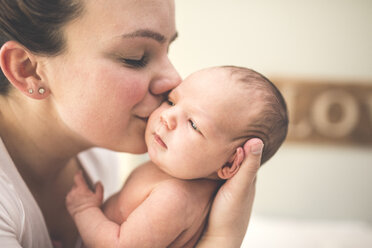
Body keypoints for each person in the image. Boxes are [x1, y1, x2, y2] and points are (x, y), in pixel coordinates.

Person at [0, 0, 264, 247]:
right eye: (135, 57)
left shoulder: (100, 157)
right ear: (28, 70)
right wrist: (221, 237)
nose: (174, 80)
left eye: (167, 49)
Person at [65, 66, 288, 248]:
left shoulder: (175, 198)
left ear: (230, 162)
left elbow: (117, 245)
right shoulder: (173, 177)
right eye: (171, 101)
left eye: (193, 124)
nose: (167, 116)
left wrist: (84, 209)